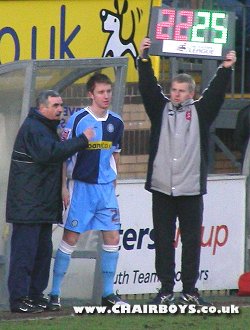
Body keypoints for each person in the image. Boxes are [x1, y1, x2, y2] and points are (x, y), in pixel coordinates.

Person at [137, 37, 236, 306]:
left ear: (192, 93)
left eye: (182, 90)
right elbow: (147, 88)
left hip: (191, 189)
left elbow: (215, 94)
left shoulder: (201, 112)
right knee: (164, 242)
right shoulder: (160, 110)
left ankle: (190, 291)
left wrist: (226, 68)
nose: (176, 94)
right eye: (174, 89)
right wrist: (144, 59)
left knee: (191, 243)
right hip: (162, 188)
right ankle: (166, 289)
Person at [6, 90, 95, 313]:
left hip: (42, 204)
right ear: (42, 107)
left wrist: (62, 188)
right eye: (55, 105)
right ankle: (19, 299)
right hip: (28, 206)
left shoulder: (45, 127)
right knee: (25, 254)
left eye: (61, 105)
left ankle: (36, 295)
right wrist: (82, 140)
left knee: (42, 254)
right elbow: (50, 153)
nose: (60, 109)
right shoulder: (34, 128)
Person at [48, 73, 126, 310]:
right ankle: (54, 293)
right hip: (82, 189)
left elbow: (115, 153)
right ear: (91, 94)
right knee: (70, 238)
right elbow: (64, 154)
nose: (106, 96)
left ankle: (108, 294)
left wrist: (114, 183)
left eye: (109, 92)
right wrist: (63, 186)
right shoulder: (78, 120)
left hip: (106, 191)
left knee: (112, 238)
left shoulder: (117, 122)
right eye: (101, 92)